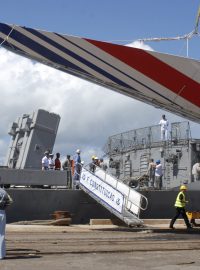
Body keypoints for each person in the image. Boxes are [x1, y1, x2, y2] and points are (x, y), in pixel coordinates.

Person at [0, 188, 13, 260]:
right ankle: (1, 255)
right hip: (1, 212)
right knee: (1, 234)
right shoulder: (3, 191)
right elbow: (10, 201)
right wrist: (4, 207)